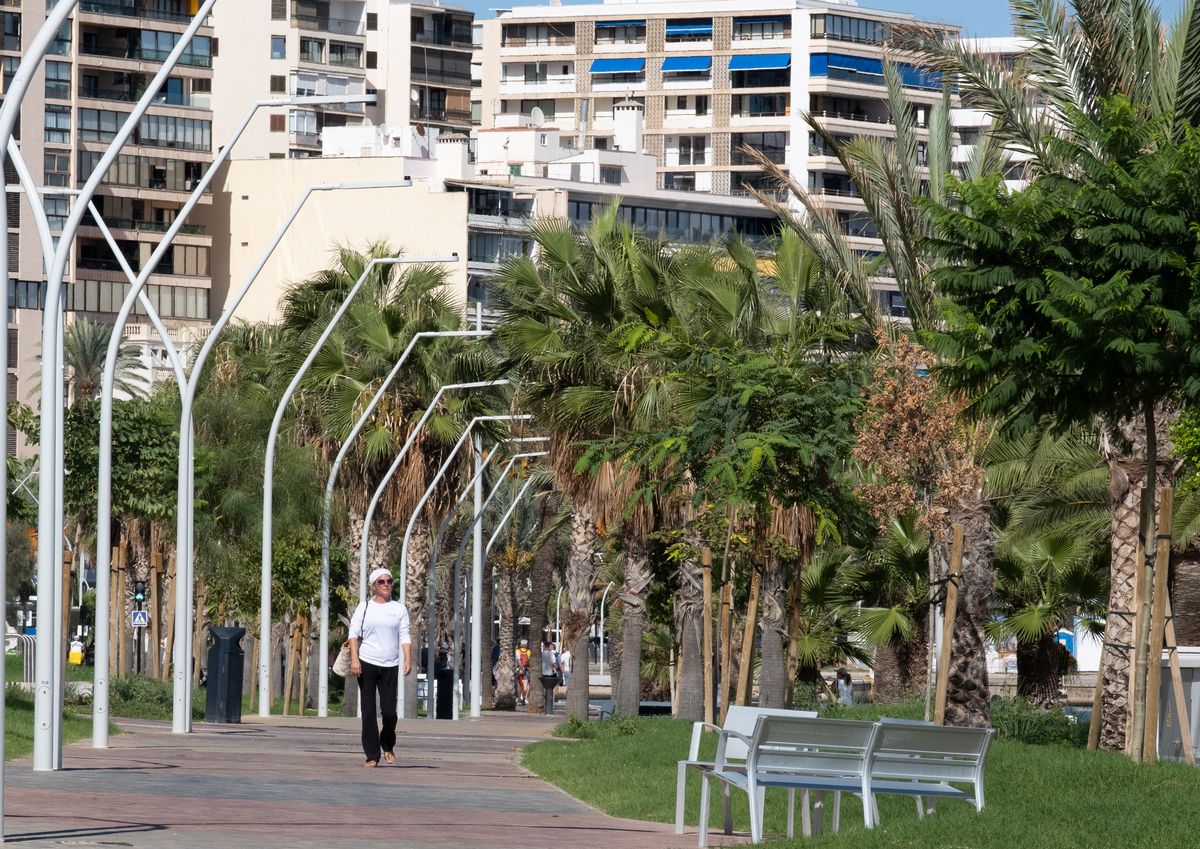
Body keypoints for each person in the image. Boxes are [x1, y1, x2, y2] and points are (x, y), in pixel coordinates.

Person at [348, 567, 412, 768]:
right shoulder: (365, 607)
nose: (386, 585)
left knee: (390, 712)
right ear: (373, 586)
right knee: (367, 712)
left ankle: (388, 744)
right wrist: (355, 659)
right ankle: (372, 755)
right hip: (366, 663)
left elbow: (404, 635)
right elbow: (353, 634)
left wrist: (407, 658)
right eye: (381, 582)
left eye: (389, 581)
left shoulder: (399, 609)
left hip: (390, 665)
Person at [515, 639, 531, 705]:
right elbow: (529, 660)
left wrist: (521, 667)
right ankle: (525, 698)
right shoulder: (529, 651)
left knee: (519, 684)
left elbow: (518, 660)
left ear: (521, 644)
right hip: (527, 669)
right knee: (526, 685)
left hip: (519, 670)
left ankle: (519, 698)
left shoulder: (517, 651)